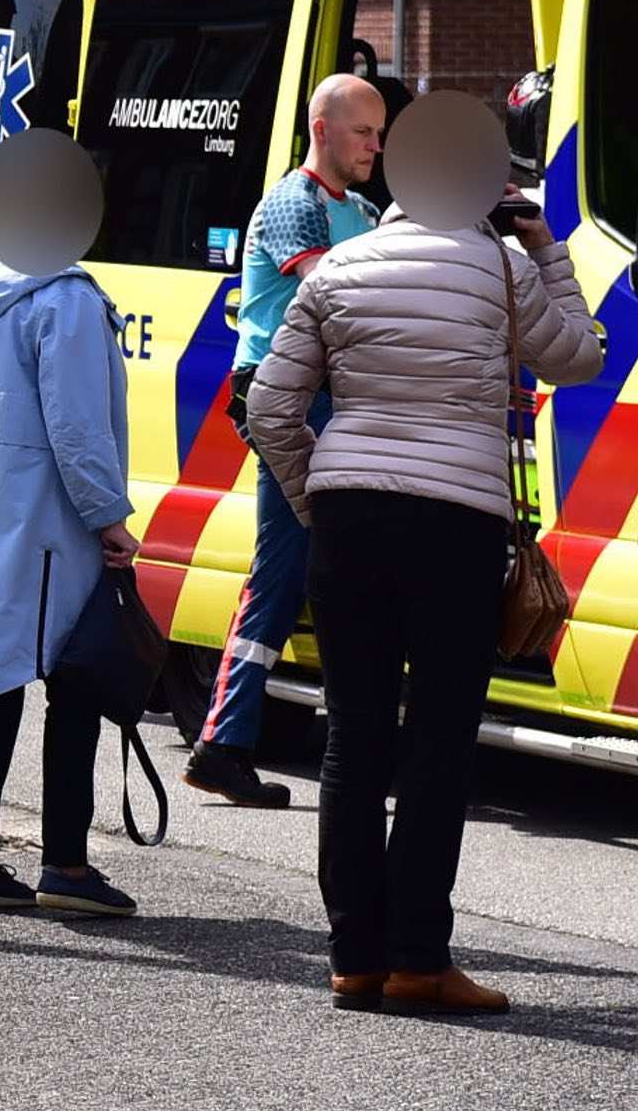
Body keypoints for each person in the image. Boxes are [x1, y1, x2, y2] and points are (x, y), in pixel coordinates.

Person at [245, 185, 602, 1014]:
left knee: (354, 738)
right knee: (438, 742)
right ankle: (417, 960)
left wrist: (317, 500)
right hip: (456, 527)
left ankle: (353, 961)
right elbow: (579, 354)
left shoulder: (340, 267)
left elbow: (268, 404)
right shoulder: (500, 267)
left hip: (349, 521)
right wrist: (546, 246)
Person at [0, 246, 140, 917]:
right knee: (74, 677)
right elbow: (77, 425)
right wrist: (108, 516)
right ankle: (67, 864)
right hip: (43, 508)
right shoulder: (63, 298)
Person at [186, 73, 390, 809]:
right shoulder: (290, 205)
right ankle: (223, 739)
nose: (376, 144)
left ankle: (237, 739)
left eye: (380, 131)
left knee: (314, 560)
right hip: (283, 399)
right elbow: (330, 288)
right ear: (322, 129)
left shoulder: (362, 209)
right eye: (363, 131)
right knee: (286, 565)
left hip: (328, 397)